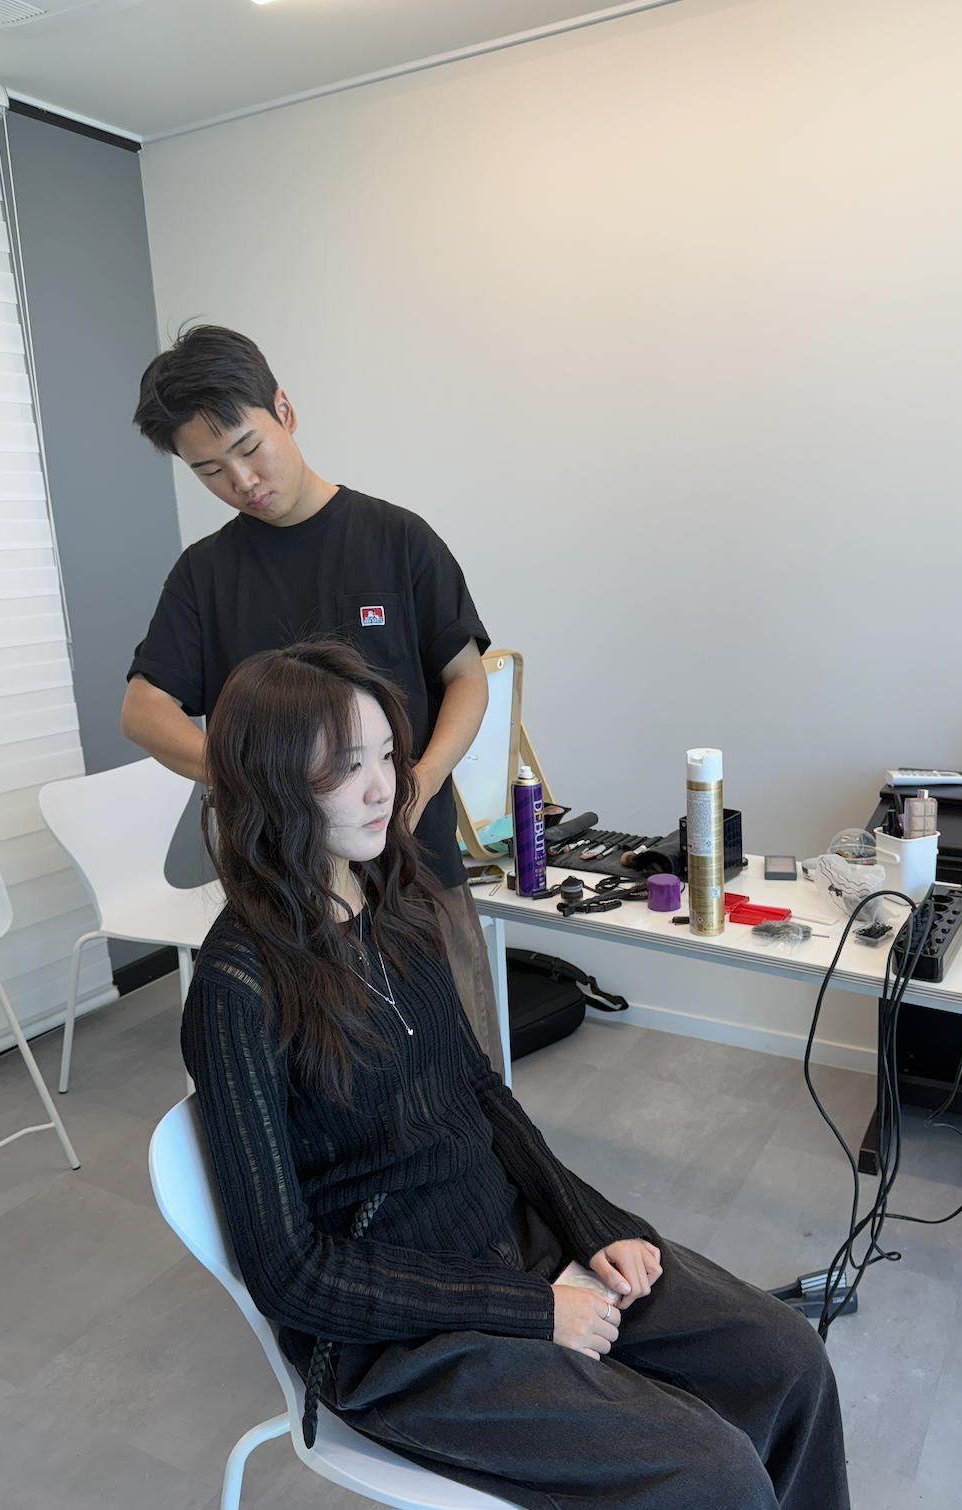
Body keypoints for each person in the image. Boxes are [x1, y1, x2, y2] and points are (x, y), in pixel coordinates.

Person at [182, 639, 851, 1510]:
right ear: (270, 784)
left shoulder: (393, 905)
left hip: (507, 1233)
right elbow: (289, 1274)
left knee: (788, 1360)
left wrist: (589, 1223)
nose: (385, 788)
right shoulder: (237, 989)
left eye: (386, 755)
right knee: (711, 1472)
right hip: (393, 1335)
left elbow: (480, 1094)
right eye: (346, 769)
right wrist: (531, 1309)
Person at [122, 324, 501, 1069]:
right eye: (209, 471)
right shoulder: (204, 575)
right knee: (320, 1088)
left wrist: (420, 782)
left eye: (248, 448)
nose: (241, 481)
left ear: (284, 411)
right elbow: (143, 710)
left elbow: (467, 679)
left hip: (414, 866)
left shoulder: (398, 540)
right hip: (284, 893)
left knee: (464, 1074)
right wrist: (251, 778)